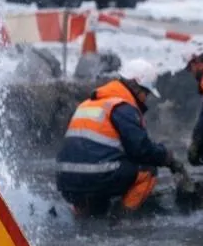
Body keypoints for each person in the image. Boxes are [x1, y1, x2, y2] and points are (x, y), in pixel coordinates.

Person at [56, 59, 186, 216]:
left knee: (94, 207)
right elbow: (141, 150)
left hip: (66, 180)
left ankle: (82, 215)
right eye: (146, 93)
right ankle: (121, 221)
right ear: (136, 87)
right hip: (95, 177)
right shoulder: (122, 107)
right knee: (148, 171)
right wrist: (167, 158)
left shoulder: (87, 104)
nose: (146, 99)